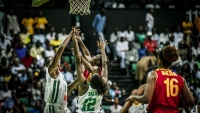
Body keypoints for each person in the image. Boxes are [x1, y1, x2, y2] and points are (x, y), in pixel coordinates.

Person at [125, 45, 194, 113]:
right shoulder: (181, 79)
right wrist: (177, 104)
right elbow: (191, 102)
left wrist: (133, 97)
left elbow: (146, 99)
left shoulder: (154, 76)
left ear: (159, 61)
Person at [72, 27, 109, 112]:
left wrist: (78, 55)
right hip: (94, 96)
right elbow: (87, 54)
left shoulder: (97, 69)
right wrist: (80, 41)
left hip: (86, 91)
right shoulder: (102, 79)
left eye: (95, 57)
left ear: (98, 62)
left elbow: (90, 69)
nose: (92, 57)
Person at [43, 27, 78, 113]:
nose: (55, 59)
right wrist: (70, 34)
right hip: (53, 108)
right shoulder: (51, 71)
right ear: (48, 65)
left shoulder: (61, 76)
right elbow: (61, 49)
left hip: (64, 107)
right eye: (52, 59)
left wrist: (79, 79)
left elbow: (67, 89)